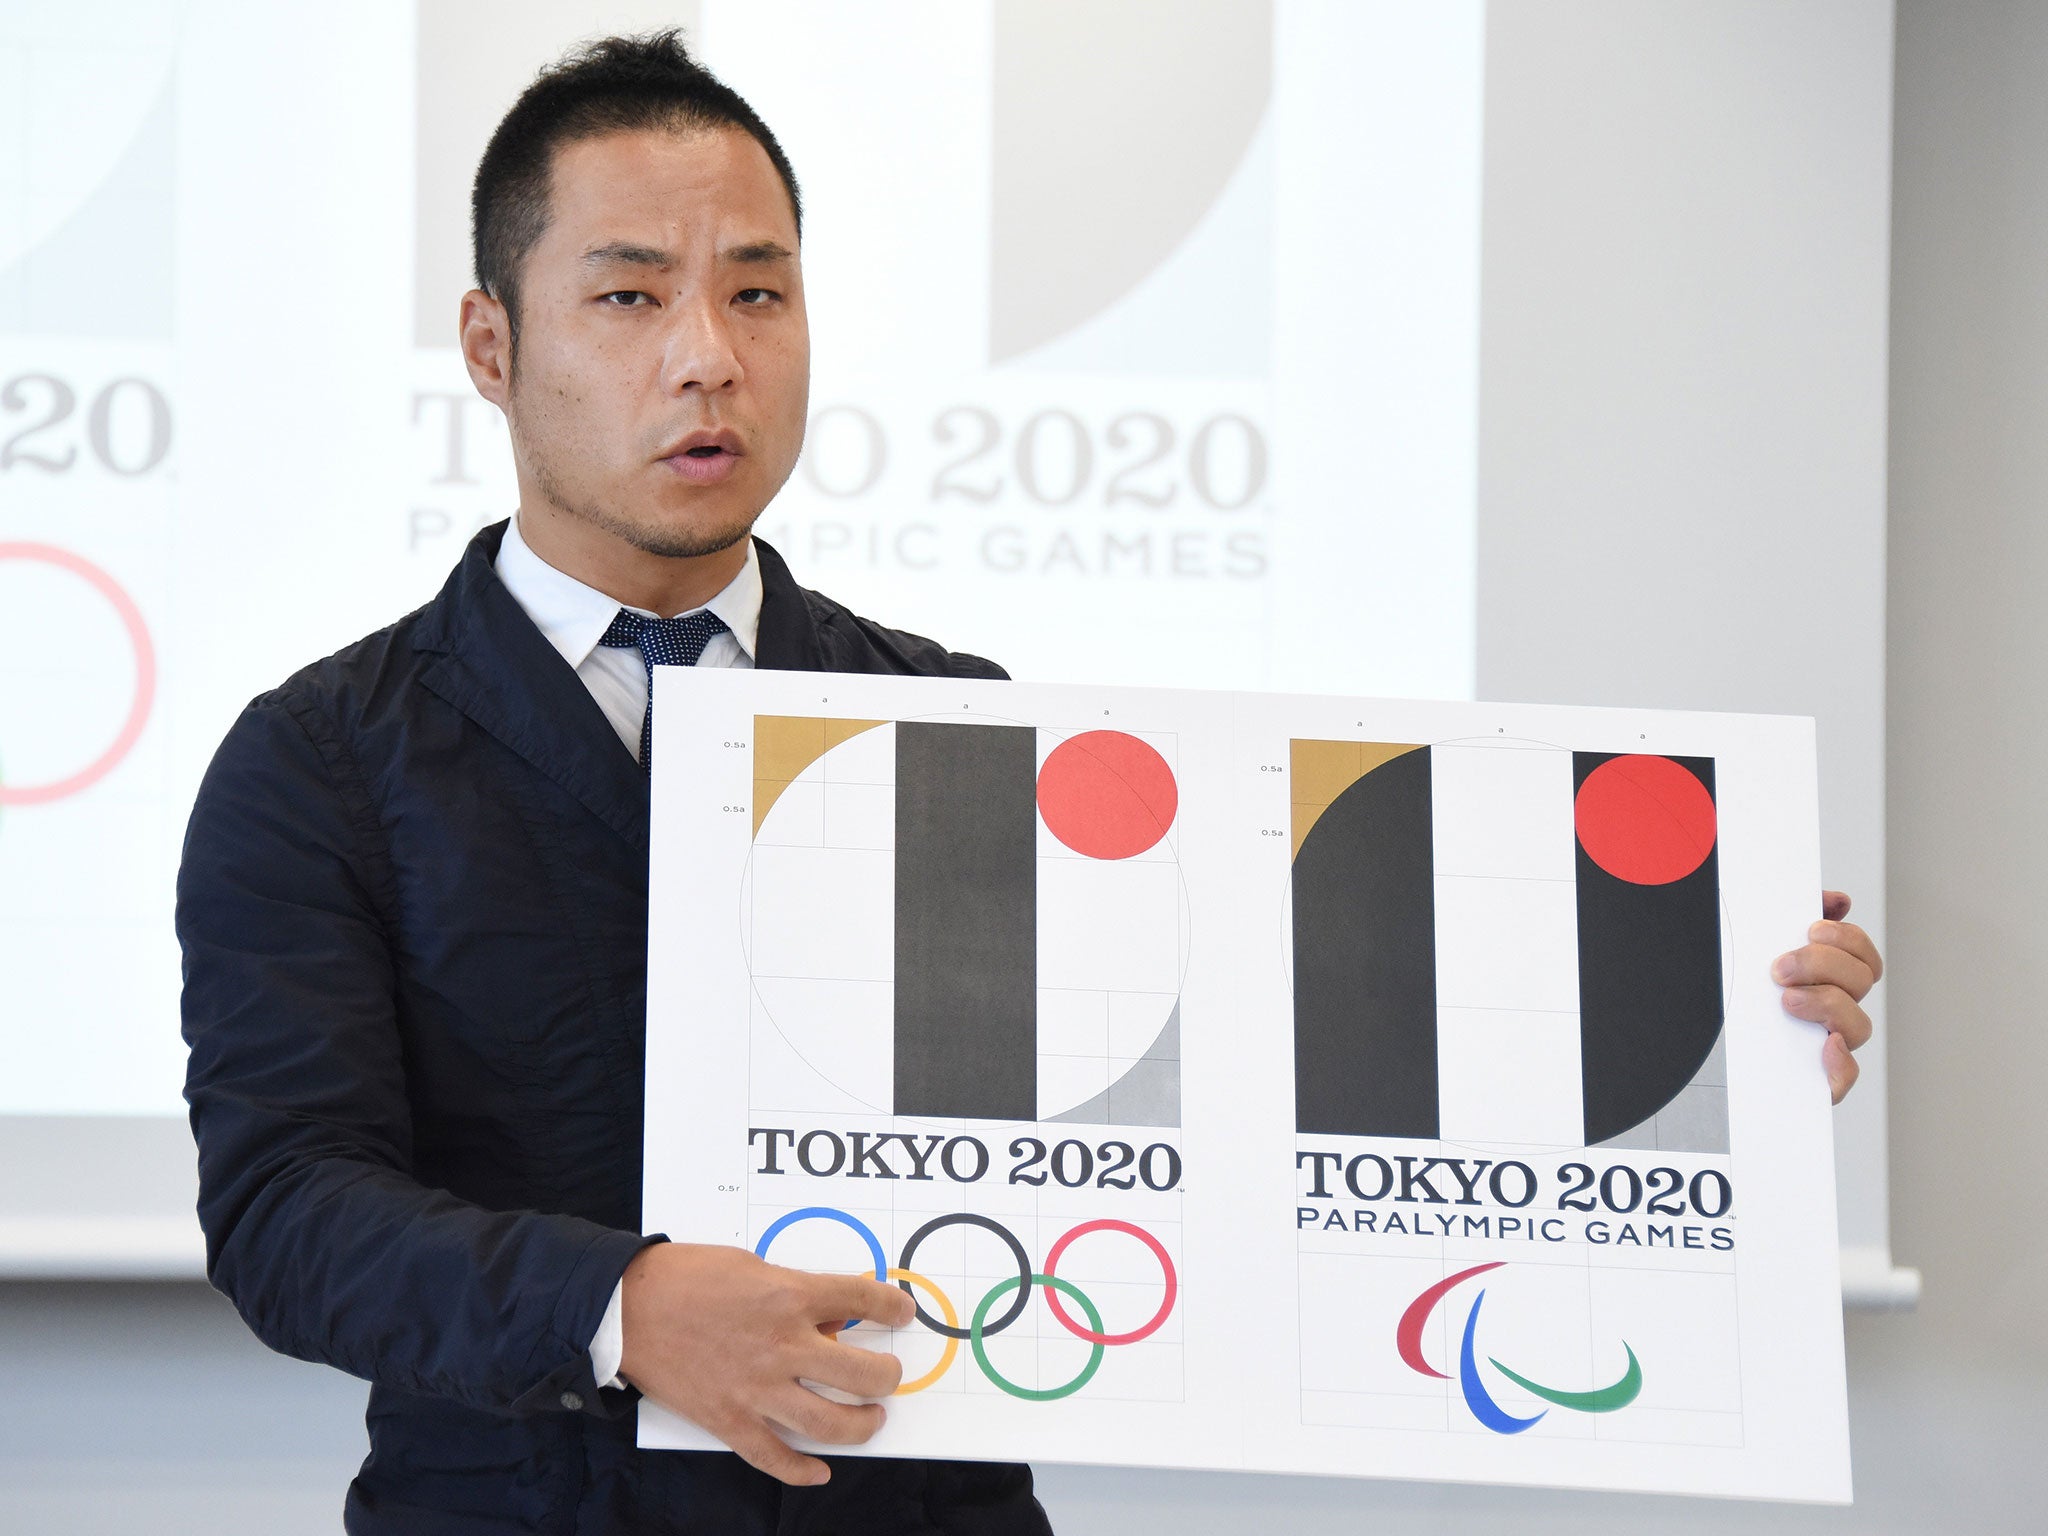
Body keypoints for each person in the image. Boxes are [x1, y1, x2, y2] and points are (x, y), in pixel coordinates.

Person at [176, 30, 1882, 1536]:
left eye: (758, 291)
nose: (708, 355)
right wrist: (621, 1308)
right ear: (491, 343)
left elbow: (1257, 1103)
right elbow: (288, 1208)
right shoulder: (323, 758)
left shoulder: (962, 727)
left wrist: (1694, 1047)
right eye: (629, 295)